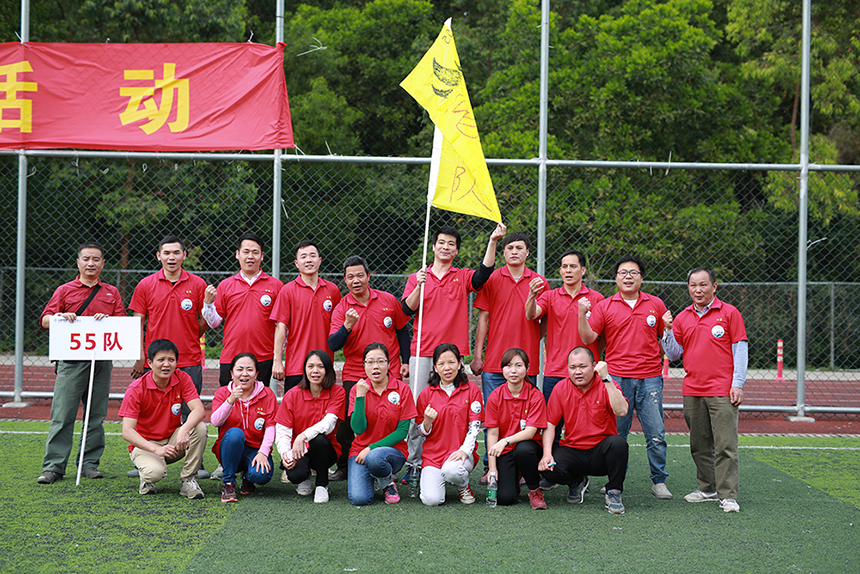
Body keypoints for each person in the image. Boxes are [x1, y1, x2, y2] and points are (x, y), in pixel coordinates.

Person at [399, 222, 505, 484]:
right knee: (419, 409)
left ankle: (453, 458)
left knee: (455, 409)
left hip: (452, 355)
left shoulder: (462, 276)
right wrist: (419, 286)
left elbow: (483, 275)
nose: (445, 247)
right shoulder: (418, 277)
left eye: (451, 244)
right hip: (423, 350)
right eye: (441, 243)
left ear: (456, 250)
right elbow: (406, 310)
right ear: (433, 247)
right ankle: (415, 463)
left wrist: (492, 242)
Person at [578, 255, 672, 500]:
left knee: (656, 432)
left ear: (641, 277)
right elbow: (588, 338)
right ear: (616, 277)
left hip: (650, 378)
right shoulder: (605, 306)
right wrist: (581, 314)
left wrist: (651, 357)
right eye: (623, 272)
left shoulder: (656, 304)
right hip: (617, 378)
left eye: (633, 272)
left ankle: (659, 480)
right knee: (616, 434)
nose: (628, 276)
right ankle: (615, 479)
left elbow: (664, 341)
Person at [37, 242, 127, 484]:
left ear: (103, 264)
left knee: (95, 415)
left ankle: (89, 464)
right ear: (78, 262)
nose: (91, 263)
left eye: (96, 259)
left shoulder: (111, 292)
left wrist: (108, 320)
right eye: (86, 258)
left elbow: (122, 323)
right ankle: (54, 467)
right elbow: (45, 320)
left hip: (101, 361)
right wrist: (59, 317)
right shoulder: (64, 290)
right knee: (63, 414)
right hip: (71, 361)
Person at [662, 267, 748, 513]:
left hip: (722, 390)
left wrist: (737, 384)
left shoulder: (729, 313)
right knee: (699, 444)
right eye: (693, 285)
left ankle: (727, 495)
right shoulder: (682, 317)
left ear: (714, 286)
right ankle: (707, 488)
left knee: (725, 444)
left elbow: (740, 350)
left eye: (703, 285)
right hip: (692, 389)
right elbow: (674, 355)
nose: (697, 290)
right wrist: (667, 331)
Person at [128, 235, 209, 478]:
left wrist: (190, 335)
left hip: (189, 359)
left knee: (190, 414)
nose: (171, 257)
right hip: (155, 362)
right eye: (166, 253)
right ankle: (145, 460)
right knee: (149, 414)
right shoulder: (146, 285)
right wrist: (139, 356)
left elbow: (206, 318)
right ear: (159, 256)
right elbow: (138, 322)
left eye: (176, 253)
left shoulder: (198, 284)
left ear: (184, 255)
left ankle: (195, 466)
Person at [471, 232, 549, 483]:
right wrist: (477, 355)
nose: (514, 251)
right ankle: (490, 466)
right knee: (493, 419)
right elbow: (483, 320)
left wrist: (532, 341)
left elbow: (543, 320)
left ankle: (522, 468)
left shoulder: (538, 281)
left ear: (528, 252)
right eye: (510, 248)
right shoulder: (493, 278)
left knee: (525, 419)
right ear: (503, 252)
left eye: (519, 247)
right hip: (495, 361)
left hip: (527, 364)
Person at [328, 256, 410, 481]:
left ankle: (387, 463)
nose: (356, 280)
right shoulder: (342, 308)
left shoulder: (388, 300)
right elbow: (333, 344)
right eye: (350, 277)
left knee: (391, 418)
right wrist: (347, 326)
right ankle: (345, 466)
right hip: (355, 372)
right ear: (345, 280)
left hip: (389, 370)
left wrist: (406, 360)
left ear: (368, 276)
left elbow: (402, 330)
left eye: (360, 275)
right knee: (348, 422)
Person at [525, 250, 604, 458]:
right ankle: (549, 466)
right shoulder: (550, 296)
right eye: (564, 267)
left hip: (587, 375)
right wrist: (532, 295)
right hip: (555, 372)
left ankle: (581, 470)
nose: (568, 270)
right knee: (551, 425)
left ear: (583, 270)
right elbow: (531, 314)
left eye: (573, 266)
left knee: (585, 428)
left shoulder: (596, 299)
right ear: (560, 270)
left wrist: (595, 360)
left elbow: (600, 336)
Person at [538, 347, 630, 515]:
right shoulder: (560, 388)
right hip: (573, 449)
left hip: (600, 453)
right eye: (572, 367)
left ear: (594, 366)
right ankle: (576, 482)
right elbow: (550, 424)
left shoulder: (607, 384)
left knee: (618, 443)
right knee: (547, 469)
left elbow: (622, 411)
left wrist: (606, 378)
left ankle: (614, 491)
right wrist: (547, 454)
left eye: (583, 366)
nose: (577, 372)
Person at [119, 339, 208, 499]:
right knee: (155, 473)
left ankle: (188, 479)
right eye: (161, 360)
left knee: (199, 427)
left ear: (176, 362)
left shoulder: (182, 378)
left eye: (171, 360)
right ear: (150, 363)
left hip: (172, 440)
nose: (166, 364)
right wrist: (156, 449)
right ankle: (146, 478)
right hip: (146, 445)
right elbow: (127, 431)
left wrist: (184, 429)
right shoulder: (136, 389)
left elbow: (199, 409)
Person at [202, 233, 283, 387]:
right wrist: (208, 304)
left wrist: (277, 355)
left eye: (255, 252)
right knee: (229, 399)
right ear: (237, 254)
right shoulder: (226, 285)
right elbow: (214, 323)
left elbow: (282, 324)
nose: (250, 256)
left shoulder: (276, 286)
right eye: (246, 252)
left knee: (259, 400)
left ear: (262, 256)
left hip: (263, 357)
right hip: (231, 356)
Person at [347, 343, 417, 506]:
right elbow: (358, 429)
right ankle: (378, 476)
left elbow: (402, 431)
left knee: (375, 457)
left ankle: (387, 482)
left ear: (389, 364)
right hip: (360, 451)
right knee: (359, 499)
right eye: (370, 362)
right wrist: (360, 398)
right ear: (364, 365)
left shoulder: (402, 389)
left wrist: (371, 448)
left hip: (392, 451)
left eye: (380, 361)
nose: (375, 366)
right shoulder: (357, 390)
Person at [415, 343, 485, 506]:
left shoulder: (472, 390)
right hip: (433, 456)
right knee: (431, 500)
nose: (447, 368)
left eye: (451, 362)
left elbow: (475, 427)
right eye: (441, 364)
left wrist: (464, 450)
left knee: (452, 470)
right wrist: (427, 422)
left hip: (459, 453)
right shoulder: (426, 394)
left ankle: (463, 486)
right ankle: (442, 479)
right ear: (435, 367)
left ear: (459, 364)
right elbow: (421, 432)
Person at [270, 240, 342, 393]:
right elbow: (281, 327)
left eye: (312, 255)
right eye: (303, 256)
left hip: (324, 365)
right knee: (295, 407)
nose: (308, 260)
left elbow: (339, 326)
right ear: (297, 263)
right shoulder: (287, 291)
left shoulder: (333, 290)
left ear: (319, 260)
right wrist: (277, 361)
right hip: (296, 366)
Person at [275, 350, 346, 504]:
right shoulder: (292, 394)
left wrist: (302, 436)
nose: (315, 371)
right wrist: (285, 454)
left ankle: (322, 484)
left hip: (325, 449)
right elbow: (282, 430)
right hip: (298, 449)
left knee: (318, 439)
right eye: (310, 366)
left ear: (328, 370)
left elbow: (328, 424)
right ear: (305, 369)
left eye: (320, 366)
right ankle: (305, 476)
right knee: (295, 475)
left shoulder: (338, 392)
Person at [210, 353, 278, 503]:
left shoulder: (267, 394)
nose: (245, 374)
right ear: (232, 373)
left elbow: (271, 427)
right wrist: (230, 400)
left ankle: (248, 477)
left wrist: (263, 452)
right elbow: (215, 421)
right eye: (240, 369)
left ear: (256, 374)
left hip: (254, 449)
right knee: (235, 434)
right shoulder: (223, 393)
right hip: (229, 447)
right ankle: (228, 483)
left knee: (261, 475)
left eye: (250, 369)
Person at [485, 348, 547, 509]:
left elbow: (530, 432)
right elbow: (492, 434)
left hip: (529, 448)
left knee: (523, 450)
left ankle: (534, 489)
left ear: (527, 368)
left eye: (518, 365)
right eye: (508, 365)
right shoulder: (495, 396)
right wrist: (492, 469)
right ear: (502, 369)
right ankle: (515, 477)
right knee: (504, 498)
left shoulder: (535, 395)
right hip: (505, 451)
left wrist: (505, 441)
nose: (513, 370)